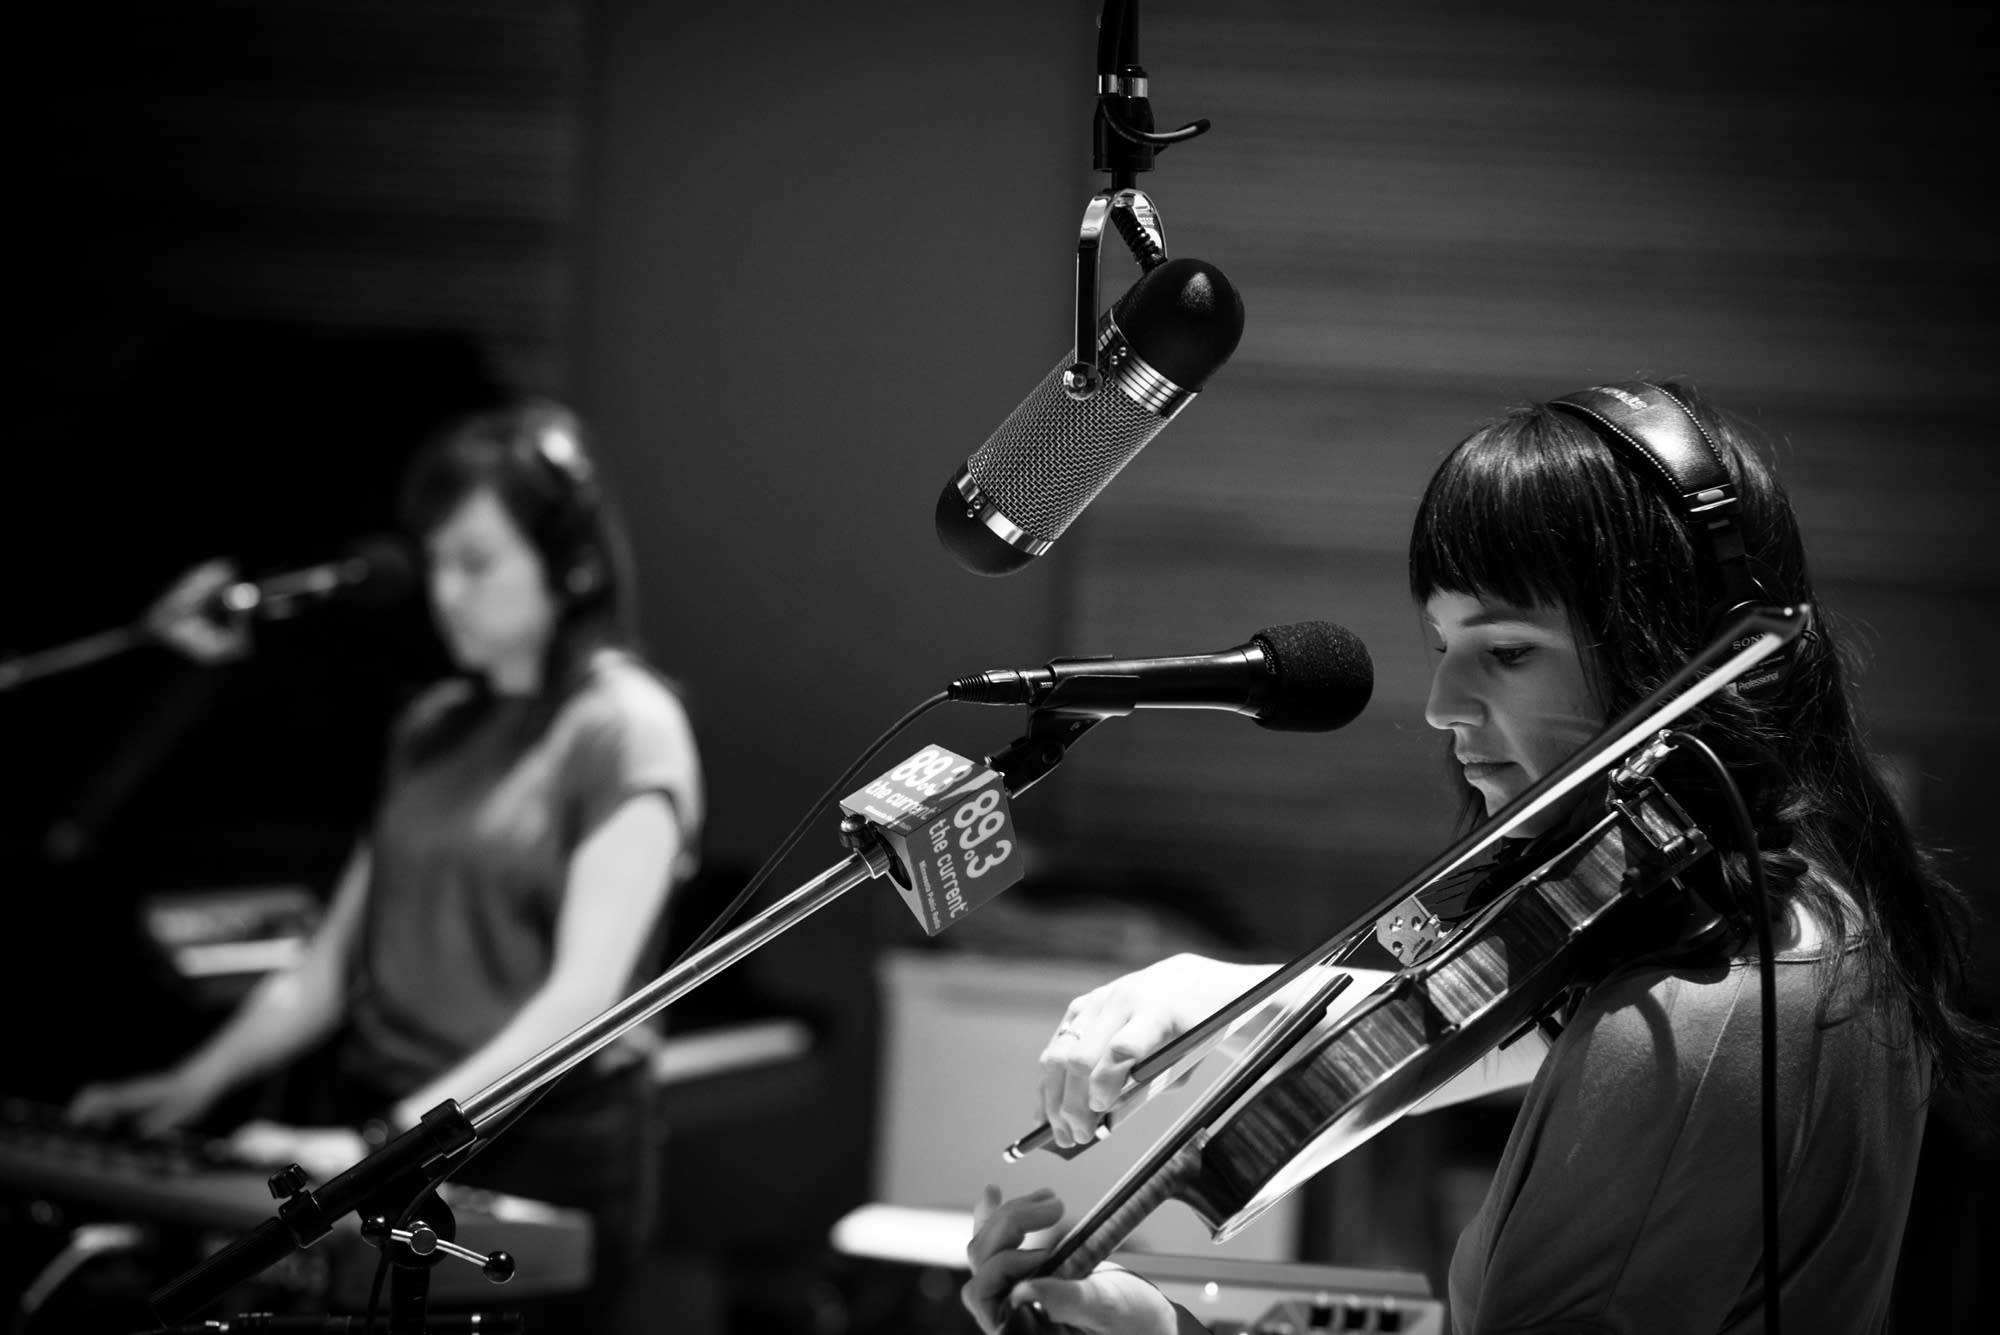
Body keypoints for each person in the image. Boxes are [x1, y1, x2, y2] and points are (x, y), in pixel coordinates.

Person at [962, 381, 1991, 1333]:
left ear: (1668, 654)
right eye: (1440, 644)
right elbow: (1461, 1021)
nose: (1441, 708)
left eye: (1503, 652)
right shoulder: (1790, 924)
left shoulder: (1691, 1023)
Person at [69, 399, 704, 1332]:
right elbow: (327, 970)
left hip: (534, 1149)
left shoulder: (627, 725)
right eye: (437, 563)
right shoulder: (429, 727)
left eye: (477, 562)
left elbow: (580, 1003)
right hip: (396, 1121)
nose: (445, 591)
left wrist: (378, 1145)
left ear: (571, 563)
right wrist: (188, 1085)